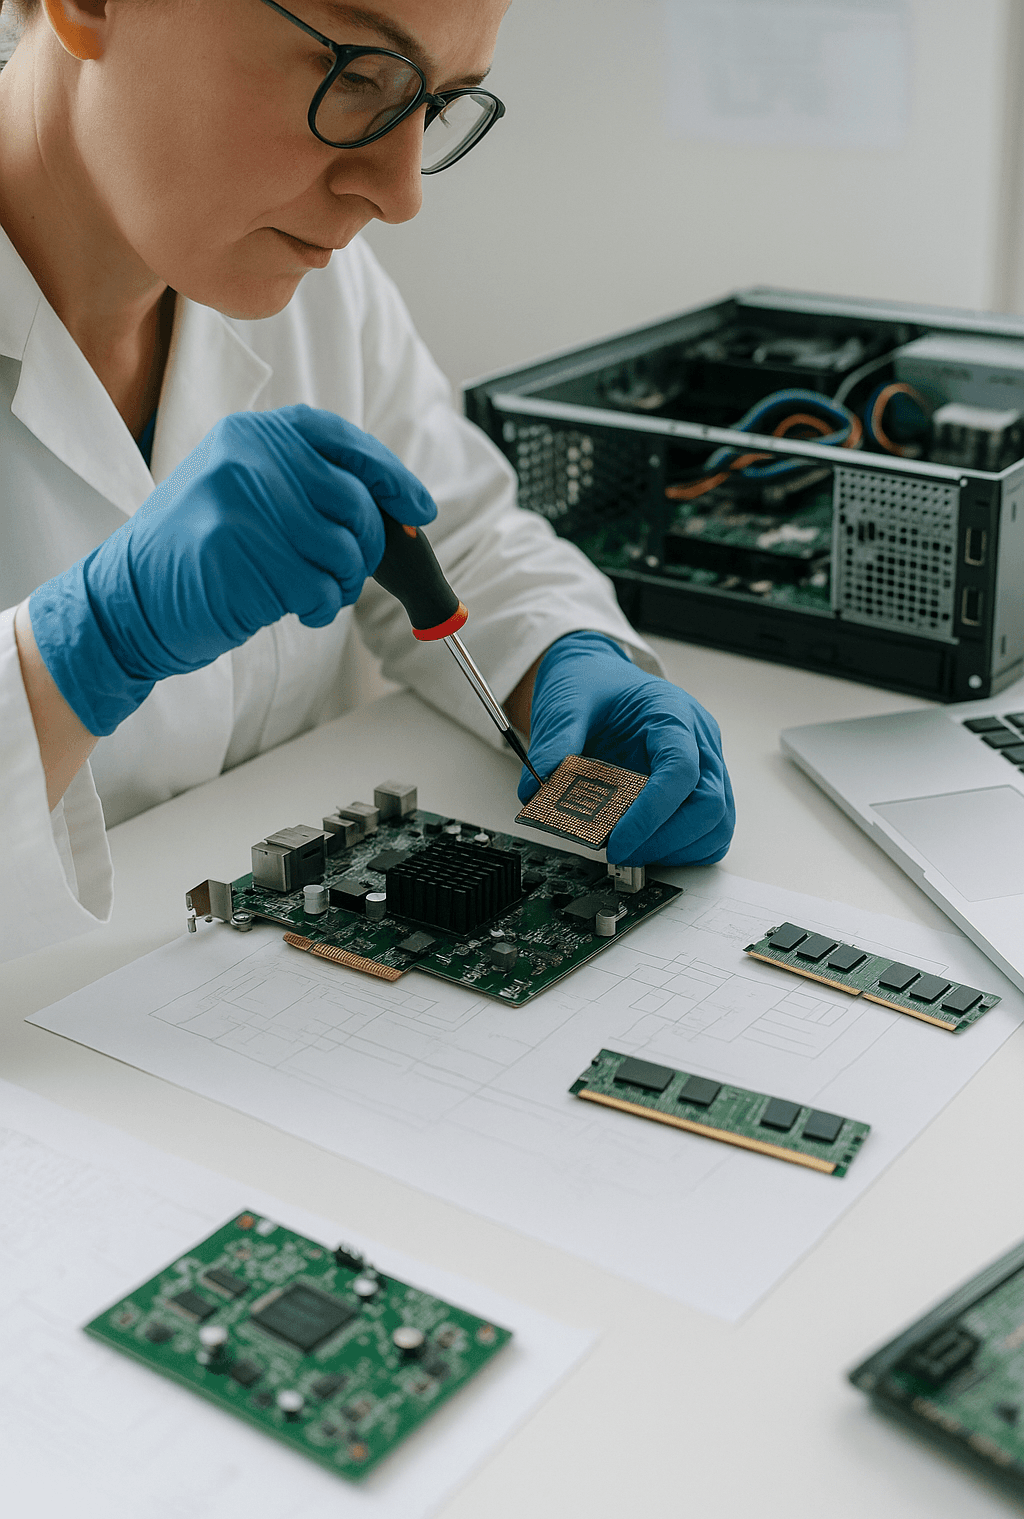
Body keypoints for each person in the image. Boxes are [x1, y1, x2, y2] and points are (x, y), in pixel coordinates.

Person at [0, 0, 734, 965]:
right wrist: (83, 648)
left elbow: (457, 537)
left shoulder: (301, 274)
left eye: (434, 105)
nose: (399, 193)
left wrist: (564, 660)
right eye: (354, 76)